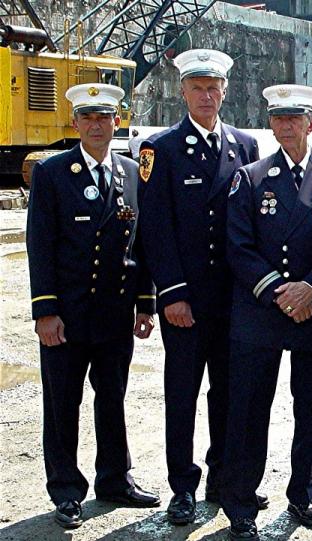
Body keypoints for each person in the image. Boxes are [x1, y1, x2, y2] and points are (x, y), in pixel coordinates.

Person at [137, 48, 263, 524]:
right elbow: (155, 228)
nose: (206, 96)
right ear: (183, 92)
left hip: (232, 300)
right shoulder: (161, 149)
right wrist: (170, 293)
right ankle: (182, 486)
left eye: (214, 88)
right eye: (197, 88)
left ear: (225, 92)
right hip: (186, 300)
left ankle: (224, 476)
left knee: (229, 392)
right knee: (183, 393)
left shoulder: (244, 146)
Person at [27, 83, 160, 529]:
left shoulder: (131, 173)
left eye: (105, 117)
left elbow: (140, 245)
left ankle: (115, 479)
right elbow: (40, 246)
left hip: (114, 313)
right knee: (63, 402)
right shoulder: (52, 173)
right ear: (75, 124)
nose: (97, 125)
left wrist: (145, 304)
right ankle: (66, 489)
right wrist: (45, 311)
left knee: (114, 399)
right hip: (65, 314)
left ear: (116, 122)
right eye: (88, 117)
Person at [220, 84, 312, 540]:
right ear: (271, 124)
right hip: (262, 312)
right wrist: (280, 292)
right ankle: (240, 502)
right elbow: (238, 246)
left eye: (295, 118)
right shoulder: (250, 178)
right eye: (278, 119)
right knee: (249, 409)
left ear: (311, 123)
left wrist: (311, 287)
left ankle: (303, 493)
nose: (286, 126)